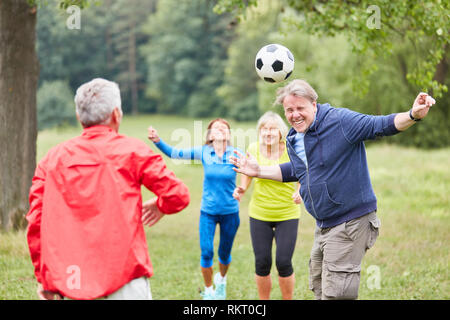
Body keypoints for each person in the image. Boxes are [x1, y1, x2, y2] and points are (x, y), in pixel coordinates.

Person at [230, 79, 436, 300]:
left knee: (337, 293)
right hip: (325, 224)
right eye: (289, 110)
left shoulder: (340, 121)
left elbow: (380, 124)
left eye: (300, 108)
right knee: (320, 288)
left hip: (351, 220)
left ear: (314, 104)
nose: (294, 115)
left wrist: (412, 114)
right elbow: (299, 170)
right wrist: (258, 170)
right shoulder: (295, 137)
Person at [26, 78, 190, 300]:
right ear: (116, 114)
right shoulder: (133, 150)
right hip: (125, 279)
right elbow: (178, 195)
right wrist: (161, 205)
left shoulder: (51, 159)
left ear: (79, 117)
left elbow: (36, 221)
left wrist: (44, 277)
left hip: (71, 281)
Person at [148, 119, 242, 300]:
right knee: (206, 251)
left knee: (224, 252)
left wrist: (242, 188)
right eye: (216, 128)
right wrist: (157, 141)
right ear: (210, 135)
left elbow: (252, 170)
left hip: (230, 212)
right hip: (208, 212)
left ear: (229, 135)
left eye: (224, 128)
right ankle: (209, 291)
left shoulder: (236, 153)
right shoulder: (204, 152)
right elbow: (176, 153)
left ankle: (221, 280)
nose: (221, 130)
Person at [232, 111, 301, 300]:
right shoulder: (253, 148)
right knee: (262, 262)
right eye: (264, 129)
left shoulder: (291, 149)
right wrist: (242, 188)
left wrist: (300, 190)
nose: (268, 132)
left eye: (272, 129)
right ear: (259, 132)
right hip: (259, 213)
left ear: (281, 132)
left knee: (283, 262)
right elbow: (247, 173)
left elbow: (303, 171)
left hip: (287, 213)